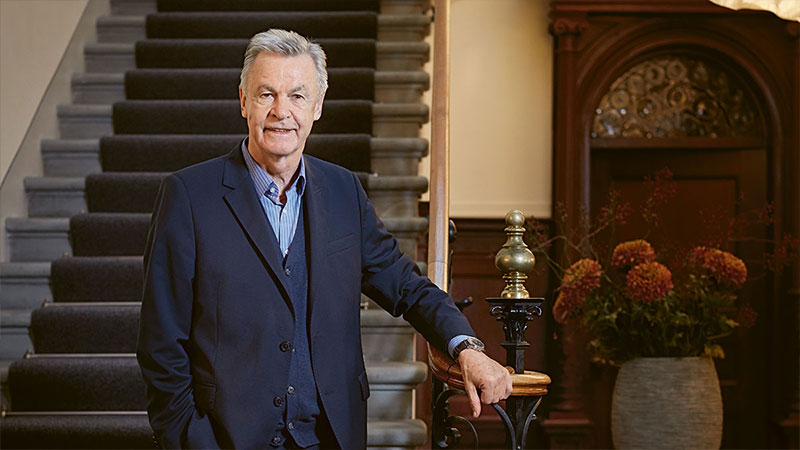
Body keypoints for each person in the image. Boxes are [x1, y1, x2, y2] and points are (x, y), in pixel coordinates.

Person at [137, 29, 512, 449]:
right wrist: (191, 440)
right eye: (266, 94)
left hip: (330, 435)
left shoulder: (343, 191)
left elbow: (407, 286)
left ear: (317, 107)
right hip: (227, 438)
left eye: (297, 96)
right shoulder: (188, 196)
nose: (282, 111)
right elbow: (161, 343)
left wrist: (467, 347)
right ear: (243, 101)